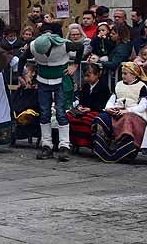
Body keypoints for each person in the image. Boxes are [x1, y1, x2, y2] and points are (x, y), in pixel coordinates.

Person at [21, 23, 84, 161]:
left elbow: (80, 46)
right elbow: (22, 59)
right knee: (44, 113)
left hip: (60, 80)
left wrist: (75, 64)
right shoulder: (33, 45)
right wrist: (25, 75)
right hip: (43, 81)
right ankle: (46, 145)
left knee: (61, 112)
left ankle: (64, 146)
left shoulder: (64, 45)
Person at [92, 62, 147, 163]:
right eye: (122, 73)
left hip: (134, 114)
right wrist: (108, 108)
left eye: (126, 74)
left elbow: (143, 106)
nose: (123, 76)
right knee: (100, 118)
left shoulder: (141, 86)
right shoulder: (119, 85)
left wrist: (127, 111)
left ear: (134, 74)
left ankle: (125, 153)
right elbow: (112, 100)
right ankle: (103, 151)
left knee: (127, 120)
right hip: (117, 111)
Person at [66, 63, 111, 151]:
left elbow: (103, 103)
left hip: (97, 110)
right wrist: (80, 106)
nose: (86, 78)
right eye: (85, 76)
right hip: (84, 109)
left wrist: (90, 108)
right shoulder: (85, 86)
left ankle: (87, 143)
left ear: (97, 75)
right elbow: (82, 99)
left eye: (88, 76)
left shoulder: (103, 87)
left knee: (86, 120)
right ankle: (73, 142)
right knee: (69, 116)